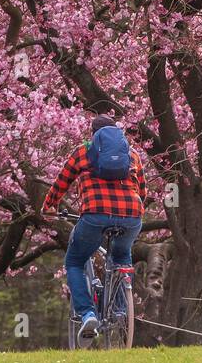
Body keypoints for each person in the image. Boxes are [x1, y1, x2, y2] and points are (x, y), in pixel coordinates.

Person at [42, 113, 147, 344]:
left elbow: (61, 182)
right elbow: (142, 191)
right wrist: (134, 208)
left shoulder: (84, 151)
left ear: (94, 134)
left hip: (94, 214)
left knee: (75, 262)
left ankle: (88, 314)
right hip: (132, 215)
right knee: (121, 257)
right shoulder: (132, 154)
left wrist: (49, 206)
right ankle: (120, 310)